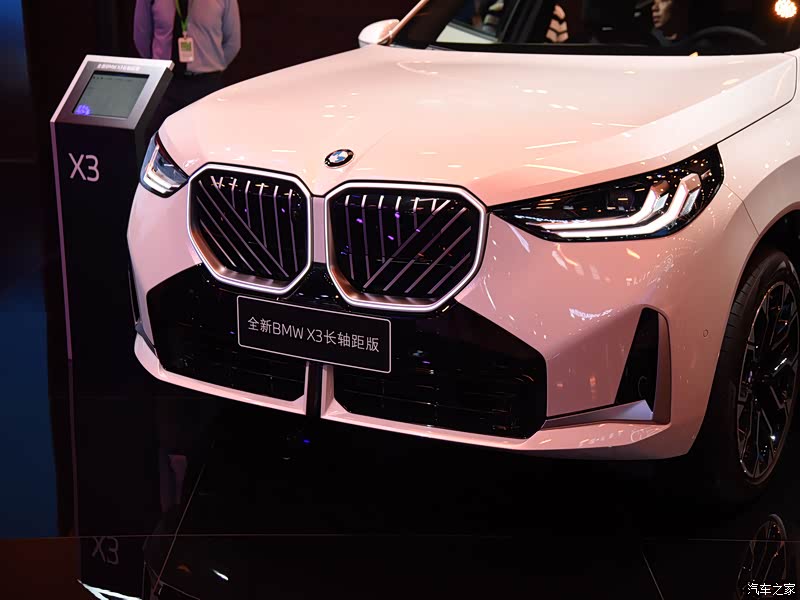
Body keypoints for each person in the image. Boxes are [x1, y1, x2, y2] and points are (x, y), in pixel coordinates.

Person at [134, 0, 241, 128]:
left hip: (207, 86)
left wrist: (212, 65)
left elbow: (232, 42)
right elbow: (141, 36)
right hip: (165, 86)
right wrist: (158, 67)